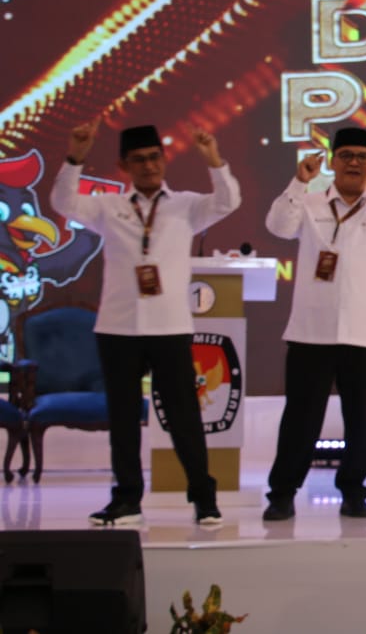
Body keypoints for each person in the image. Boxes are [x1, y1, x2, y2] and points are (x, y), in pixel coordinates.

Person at [51, 118, 240, 526]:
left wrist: (214, 160)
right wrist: (75, 158)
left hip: (169, 327)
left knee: (184, 416)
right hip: (117, 328)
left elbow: (228, 202)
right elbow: (63, 203)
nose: (149, 166)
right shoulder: (108, 207)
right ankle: (127, 500)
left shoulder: (186, 206)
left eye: (155, 157)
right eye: (139, 160)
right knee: (123, 419)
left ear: (164, 159)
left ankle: (204, 499)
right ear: (124, 166)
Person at [262, 127, 366, 521]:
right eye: (347, 156)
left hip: (365, 334)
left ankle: (354, 492)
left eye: (362, 157)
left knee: (360, 420)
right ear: (333, 162)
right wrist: (299, 181)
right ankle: (282, 493)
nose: (355, 163)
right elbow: (278, 226)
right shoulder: (308, 203)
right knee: (300, 419)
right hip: (311, 331)